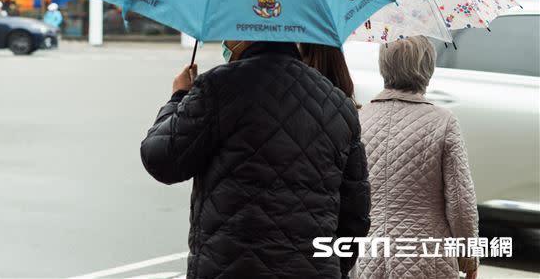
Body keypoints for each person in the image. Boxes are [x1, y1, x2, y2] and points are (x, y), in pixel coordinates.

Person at [140, 41, 371, 279]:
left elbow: (161, 159)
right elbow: (354, 217)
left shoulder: (218, 87)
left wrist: (178, 97)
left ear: (246, 34)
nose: (226, 41)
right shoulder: (339, 104)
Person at [355, 36, 478, 279]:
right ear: (428, 68)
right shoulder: (443, 122)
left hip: (368, 256)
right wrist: (468, 258)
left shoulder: (359, 119)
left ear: (384, 65)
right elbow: (460, 200)